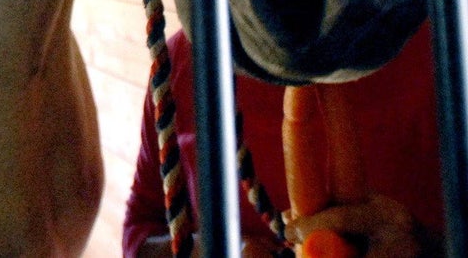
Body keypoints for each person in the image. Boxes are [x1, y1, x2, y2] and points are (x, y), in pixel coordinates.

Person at [123, 25, 443, 258]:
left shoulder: (443, 44)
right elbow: (140, 227)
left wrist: (429, 248)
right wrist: (201, 248)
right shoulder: (182, 61)